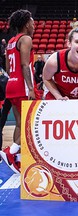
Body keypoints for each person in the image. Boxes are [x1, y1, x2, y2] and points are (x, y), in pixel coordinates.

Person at [0, 9, 39, 173]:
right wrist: (30, 88)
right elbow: (24, 65)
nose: (34, 24)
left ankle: (15, 157)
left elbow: (9, 67)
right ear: (26, 24)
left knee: (19, 122)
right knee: (28, 124)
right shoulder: (26, 39)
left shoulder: (11, 41)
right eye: (32, 21)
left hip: (11, 84)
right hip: (22, 86)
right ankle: (11, 153)